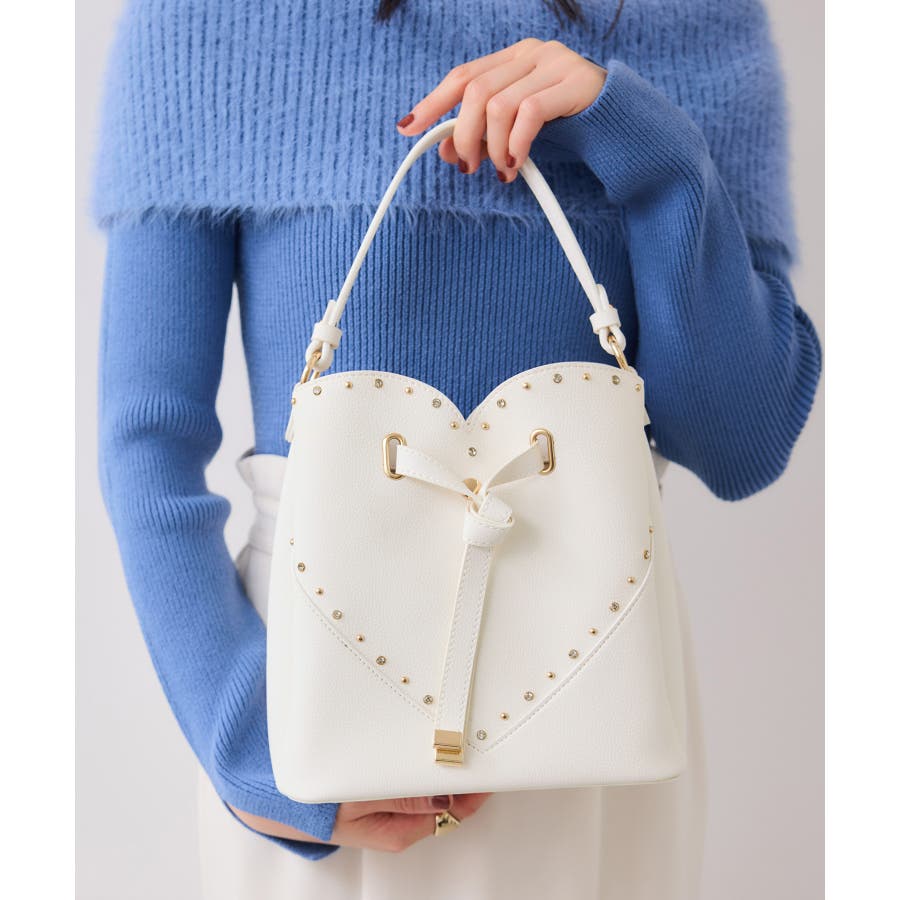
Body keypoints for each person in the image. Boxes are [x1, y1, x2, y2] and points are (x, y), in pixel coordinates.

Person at [92, 0, 822, 897]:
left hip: (595, 679)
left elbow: (743, 441)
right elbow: (147, 438)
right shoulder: (205, 22)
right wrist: (243, 739)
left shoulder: (697, 21)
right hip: (309, 697)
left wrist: (648, 150)